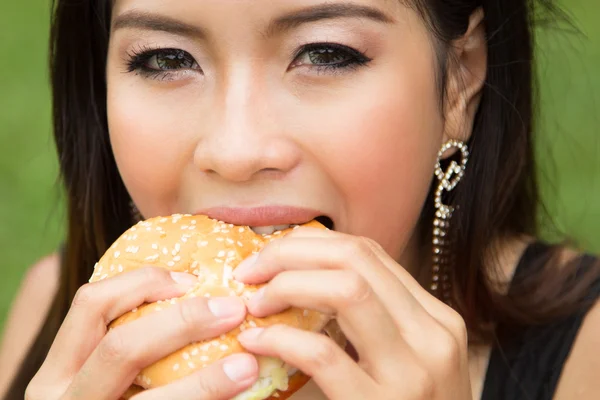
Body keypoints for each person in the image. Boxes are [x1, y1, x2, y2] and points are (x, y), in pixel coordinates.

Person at [1, 0, 599, 399]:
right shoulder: (58, 310)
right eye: (166, 59)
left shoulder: (585, 355)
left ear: (459, 80)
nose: (235, 151)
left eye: (325, 53)